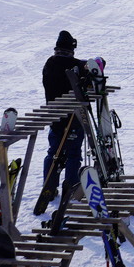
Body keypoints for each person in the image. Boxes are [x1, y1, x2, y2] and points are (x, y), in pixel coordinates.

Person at [39, 30, 86, 206]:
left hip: (54, 116)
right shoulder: (76, 66)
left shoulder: (49, 64)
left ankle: (49, 187)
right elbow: (84, 71)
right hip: (73, 117)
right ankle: (72, 188)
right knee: (73, 153)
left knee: (53, 152)